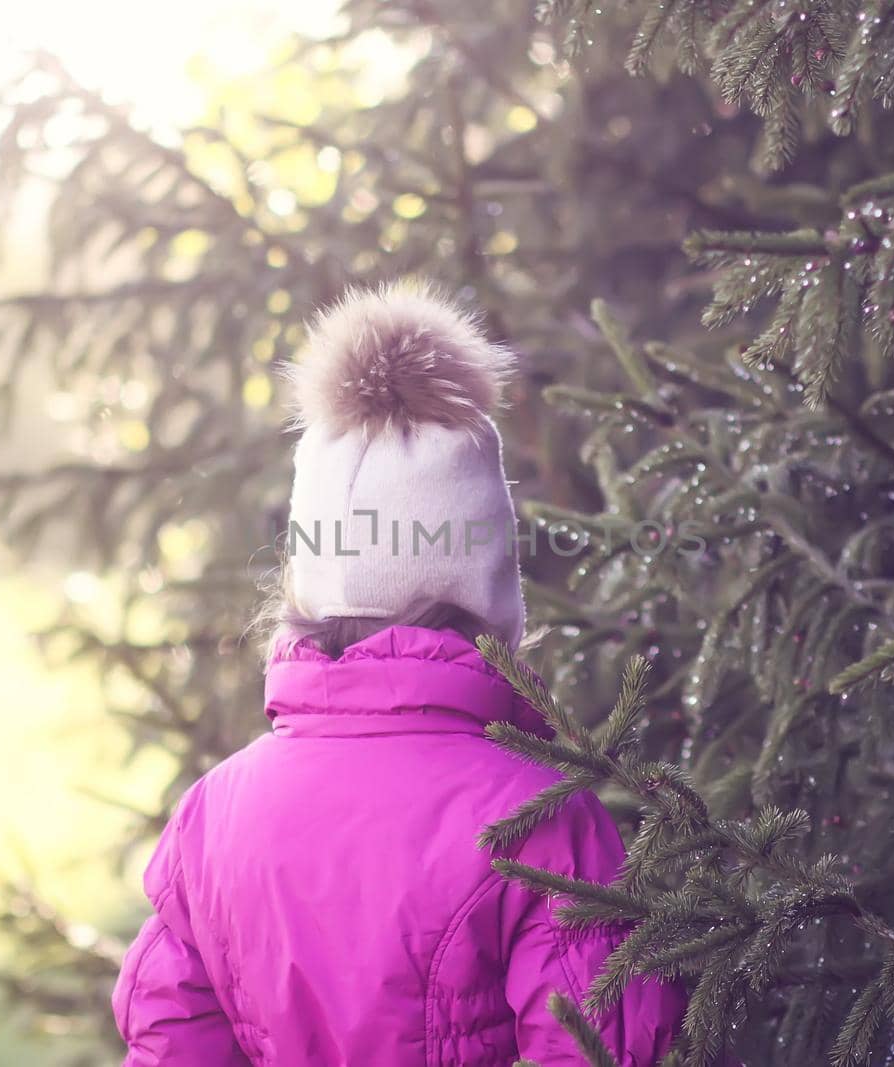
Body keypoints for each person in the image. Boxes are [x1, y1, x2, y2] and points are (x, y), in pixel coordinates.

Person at [111, 278, 687, 1065]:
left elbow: (170, 1038)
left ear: (305, 578)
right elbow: (597, 1047)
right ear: (485, 580)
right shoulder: (540, 818)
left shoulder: (212, 814)